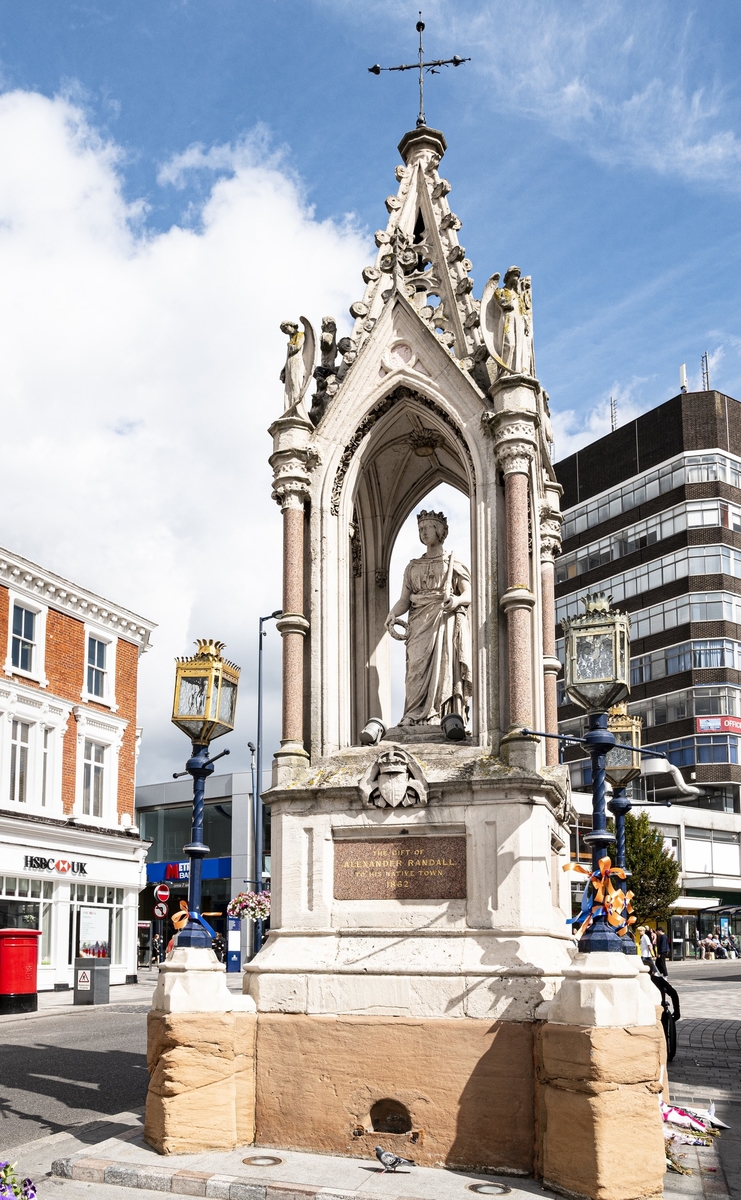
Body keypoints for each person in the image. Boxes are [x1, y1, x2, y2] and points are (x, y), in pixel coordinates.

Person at [385, 510, 472, 727]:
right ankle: (413, 714)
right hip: (418, 623)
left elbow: (469, 594)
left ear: (440, 531)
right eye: (420, 529)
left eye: (428, 527)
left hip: (443, 620)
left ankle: (439, 715)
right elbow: (404, 600)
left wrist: (456, 601)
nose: (423, 532)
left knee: (443, 669)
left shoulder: (453, 562)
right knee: (415, 670)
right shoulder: (412, 566)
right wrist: (393, 614)